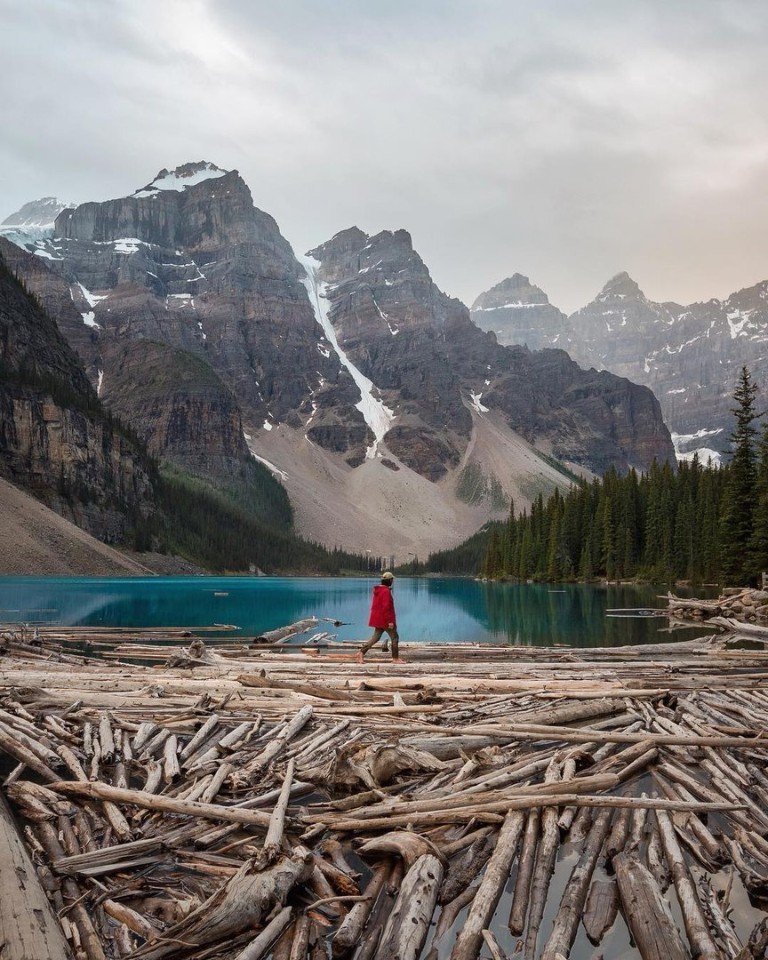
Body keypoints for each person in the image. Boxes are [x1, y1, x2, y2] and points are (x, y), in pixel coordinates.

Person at [357, 571, 403, 662]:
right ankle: (395, 658)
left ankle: (361, 652)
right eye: (392, 579)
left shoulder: (378, 590)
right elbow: (386, 608)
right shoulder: (386, 591)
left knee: (375, 638)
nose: (392, 581)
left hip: (378, 620)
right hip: (385, 620)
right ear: (389, 580)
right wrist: (390, 621)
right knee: (395, 638)